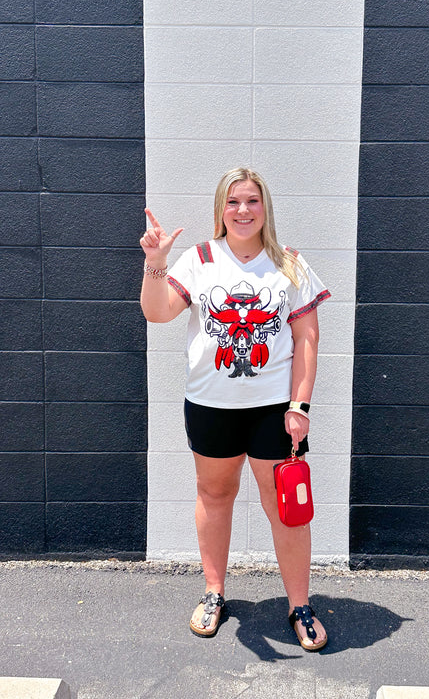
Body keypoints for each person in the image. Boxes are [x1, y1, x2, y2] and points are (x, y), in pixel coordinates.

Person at [140, 167, 331, 650]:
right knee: (215, 494)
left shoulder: (289, 263)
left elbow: (307, 338)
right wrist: (155, 262)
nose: (242, 211)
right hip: (211, 405)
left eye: (251, 201)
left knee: (286, 507)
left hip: (273, 410)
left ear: (265, 207)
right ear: (220, 210)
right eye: (233, 202)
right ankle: (213, 593)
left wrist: (300, 404)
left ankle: (299, 605)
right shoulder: (199, 260)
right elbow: (157, 311)